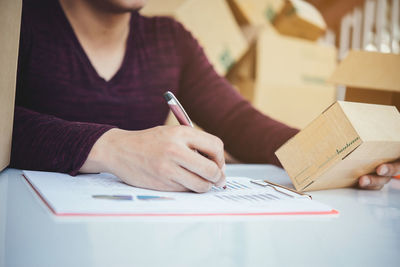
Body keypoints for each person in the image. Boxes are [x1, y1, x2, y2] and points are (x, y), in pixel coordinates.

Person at [11, 0, 399, 192]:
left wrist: (334, 152)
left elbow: (239, 121)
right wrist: (112, 147)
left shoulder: (170, 39)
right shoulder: (18, 20)